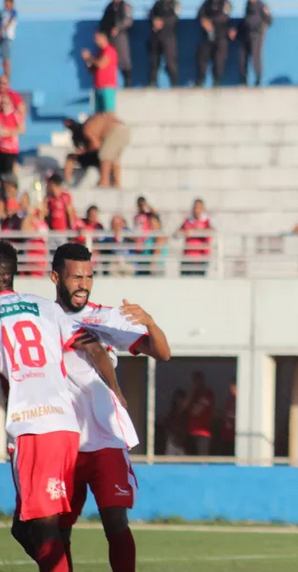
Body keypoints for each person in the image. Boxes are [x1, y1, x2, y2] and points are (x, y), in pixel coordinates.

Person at [50, 242, 171, 572]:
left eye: (89, 277)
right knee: (58, 527)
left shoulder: (105, 317)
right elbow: (89, 349)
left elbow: (162, 352)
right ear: (55, 277)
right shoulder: (44, 318)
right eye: (76, 277)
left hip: (106, 438)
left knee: (115, 521)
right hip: (63, 440)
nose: (84, 284)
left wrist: (150, 323)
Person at [0, 239, 117, 572]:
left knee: (44, 528)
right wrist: (117, 392)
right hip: (65, 426)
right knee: (26, 527)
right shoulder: (45, 307)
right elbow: (92, 347)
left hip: (31, 425)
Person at [78, 113, 131, 189]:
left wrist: (86, 151)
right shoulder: (95, 120)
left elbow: (96, 144)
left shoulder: (86, 130)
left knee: (104, 155)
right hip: (124, 129)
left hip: (115, 129)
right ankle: (116, 183)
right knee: (115, 159)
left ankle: (104, 182)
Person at [196, 0, 237, 87]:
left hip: (222, 36)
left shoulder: (225, 3)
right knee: (202, 56)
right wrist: (204, 21)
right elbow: (200, 15)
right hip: (208, 37)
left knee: (219, 61)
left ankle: (216, 81)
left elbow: (225, 18)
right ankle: (200, 81)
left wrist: (211, 21)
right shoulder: (207, 3)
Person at [82, 32, 119, 114]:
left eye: (98, 38)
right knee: (98, 114)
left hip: (107, 87)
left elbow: (101, 64)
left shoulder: (109, 50)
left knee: (109, 112)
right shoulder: (98, 53)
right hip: (98, 87)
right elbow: (91, 70)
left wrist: (89, 57)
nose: (96, 41)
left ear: (104, 38)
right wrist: (87, 60)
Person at [99, 0, 133, 88]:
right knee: (107, 60)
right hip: (108, 37)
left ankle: (127, 84)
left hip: (120, 37)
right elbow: (104, 21)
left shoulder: (125, 6)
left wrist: (118, 28)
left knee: (124, 61)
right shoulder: (109, 7)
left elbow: (128, 21)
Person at [239, 0, 272, 87]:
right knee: (243, 58)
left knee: (255, 58)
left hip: (256, 36)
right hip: (246, 35)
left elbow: (269, 19)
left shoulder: (261, 5)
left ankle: (258, 80)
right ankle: (244, 80)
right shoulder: (248, 5)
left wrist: (262, 29)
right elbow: (246, 20)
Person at [148, 0, 180, 87]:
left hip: (169, 37)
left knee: (171, 61)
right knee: (154, 61)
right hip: (156, 36)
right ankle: (153, 82)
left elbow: (175, 18)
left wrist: (163, 22)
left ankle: (174, 83)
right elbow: (151, 15)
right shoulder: (158, 4)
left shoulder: (175, 4)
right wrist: (154, 21)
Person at [179, 198, 215, 276]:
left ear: (203, 209)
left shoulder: (208, 220)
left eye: (199, 207)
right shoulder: (188, 220)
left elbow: (212, 231)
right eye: (195, 207)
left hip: (200, 257)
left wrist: (197, 231)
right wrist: (184, 232)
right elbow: (177, 232)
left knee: (199, 280)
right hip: (188, 256)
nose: (197, 210)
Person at [183, 371, 215, 455]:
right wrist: (191, 392)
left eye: (198, 380)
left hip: (203, 432)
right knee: (191, 458)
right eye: (195, 380)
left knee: (202, 458)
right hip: (191, 432)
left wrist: (192, 407)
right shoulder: (193, 394)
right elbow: (183, 406)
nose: (196, 382)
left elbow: (196, 411)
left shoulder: (208, 393)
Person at [0, 88, 23, 176]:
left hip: (11, 150)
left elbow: (22, 128)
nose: (3, 105)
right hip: (1, 149)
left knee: (8, 175)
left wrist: (8, 132)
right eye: (2, 103)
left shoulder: (15, 115)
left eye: (5, 103)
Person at [164, 389, 188, 455]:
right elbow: (167, 428)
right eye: (178, 399)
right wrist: (173, 438)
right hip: (172, 442)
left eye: (182, 399)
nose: (180, 401)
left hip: (181, 444)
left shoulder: (186, 415)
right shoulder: (171, 414)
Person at [219, 381, 236, 455]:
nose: (231, 389)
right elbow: (225, 414)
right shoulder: (230, 400)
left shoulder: (242, 401)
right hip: (226, 436)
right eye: (231, 387)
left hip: (235, 437)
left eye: (233, 387)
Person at [1, 0, 16, 79]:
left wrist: (3, 28)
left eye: (8, 3)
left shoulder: (13, 12)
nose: (6, 5)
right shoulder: (3, 13)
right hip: (2, 37)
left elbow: (9, 22)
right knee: (4, 57)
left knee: (6, 58)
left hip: (7, 37)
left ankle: (7, 76)